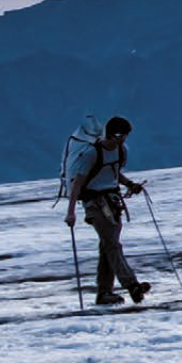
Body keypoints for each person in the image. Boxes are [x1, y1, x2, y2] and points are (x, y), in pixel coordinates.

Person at [64, 115, 151, 306]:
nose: (123, 140)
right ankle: (132, 285)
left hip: (112, 202)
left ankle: (104, 293)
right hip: (95, 204)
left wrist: (130, 184)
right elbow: (78, 183)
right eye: (121, 136)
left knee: (107, 247)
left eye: (125, 136)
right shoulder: (91, 153)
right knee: (112, 245)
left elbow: (113, 173)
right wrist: (71, 212)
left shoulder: (121, 150)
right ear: (113, 134)